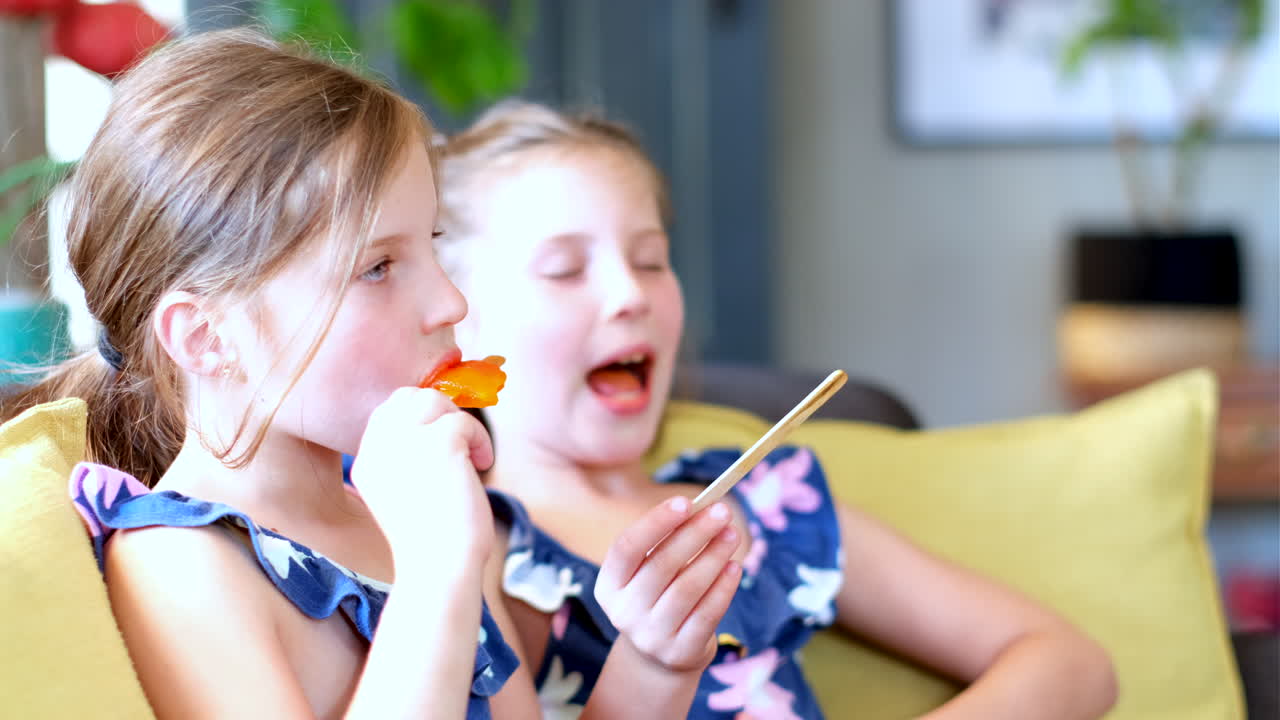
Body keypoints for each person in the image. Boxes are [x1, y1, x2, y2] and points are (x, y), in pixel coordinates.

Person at [3, 31, 741, 719]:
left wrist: (652, 659)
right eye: (379, 267)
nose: (451, 302)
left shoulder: (416, 518)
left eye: (432, 245)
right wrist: (436, 572)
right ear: (206, 338)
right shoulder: (180, 561)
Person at [434, 99, 1120, 719]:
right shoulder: (466, 548)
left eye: (650, 260)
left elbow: (1071, 664)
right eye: (564, 269)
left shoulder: (769, 502)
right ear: (457, 318)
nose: (628, 295)